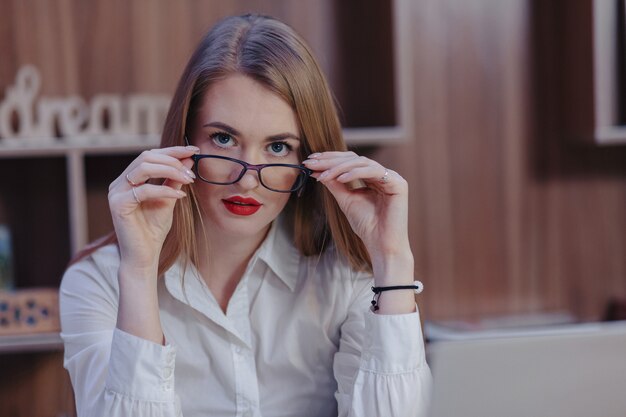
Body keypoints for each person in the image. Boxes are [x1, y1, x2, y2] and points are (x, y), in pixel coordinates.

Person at [60, 13, 432, 417]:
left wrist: (393, 259)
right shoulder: (97, 282)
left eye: (277, 148)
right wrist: (140, 271)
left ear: (309, 159)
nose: (247, 181)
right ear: (182, 142)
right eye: (223, 139)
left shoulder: (348, 277)